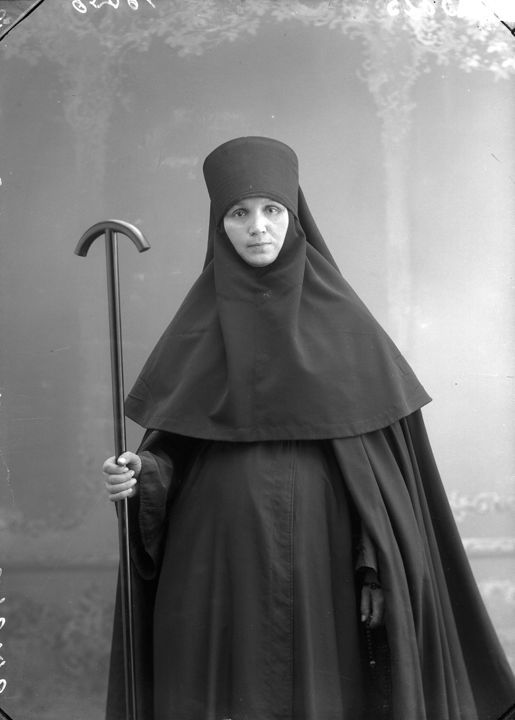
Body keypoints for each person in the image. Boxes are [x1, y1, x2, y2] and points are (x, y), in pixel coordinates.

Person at [103, 136, 515, 720]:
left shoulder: (347, 325)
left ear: (294, 216)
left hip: (327, 570)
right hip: (214, 571)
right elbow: (172, 454)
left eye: (272, 210)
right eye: (238, 213)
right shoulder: (194, 329)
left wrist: (374, 569)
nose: (257, 227)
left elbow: (379, 475)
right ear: (219, 226)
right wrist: (140, 473)